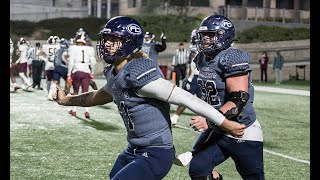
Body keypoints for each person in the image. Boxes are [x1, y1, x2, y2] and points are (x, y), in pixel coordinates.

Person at [52, 16, 245, 180]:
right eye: (106, 39)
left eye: (114, 39)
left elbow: (187, 98)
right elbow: (94, 97)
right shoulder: (114, 72)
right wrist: (66, 100)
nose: (107, 44)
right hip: (134, 149)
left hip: (156, 152)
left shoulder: (139, 72)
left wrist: (224, 123)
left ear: (129, 43)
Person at [176, 15, 265, 180]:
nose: (205, 39)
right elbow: (210, 94)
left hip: (241, 131)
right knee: (199, 170)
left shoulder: (231, 57)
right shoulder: (203, 59)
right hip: (218, 129)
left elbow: (239, 99)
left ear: (225, 36)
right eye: (204, 35)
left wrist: (209, 119)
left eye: (211, 35)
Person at [171, 29, 202, 125]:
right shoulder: (197, 47)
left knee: (203, 100)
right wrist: (189, 78)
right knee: (189, 98)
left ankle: (203, 121)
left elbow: (192, 64)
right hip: (198, 77)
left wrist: (189, 78)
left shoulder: (198, 47)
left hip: (199, 77)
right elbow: (192, 64)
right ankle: (175, 117)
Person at [65, 31, 97, 118]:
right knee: (85, 93)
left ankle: (74, 110)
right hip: (86, 72)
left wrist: (68, 74)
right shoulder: (90, 49)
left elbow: (71, 62)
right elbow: (93, 63)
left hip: (77, 71)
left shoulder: (73, 48)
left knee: (75, 92)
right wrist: (92, 73)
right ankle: (87, 112)